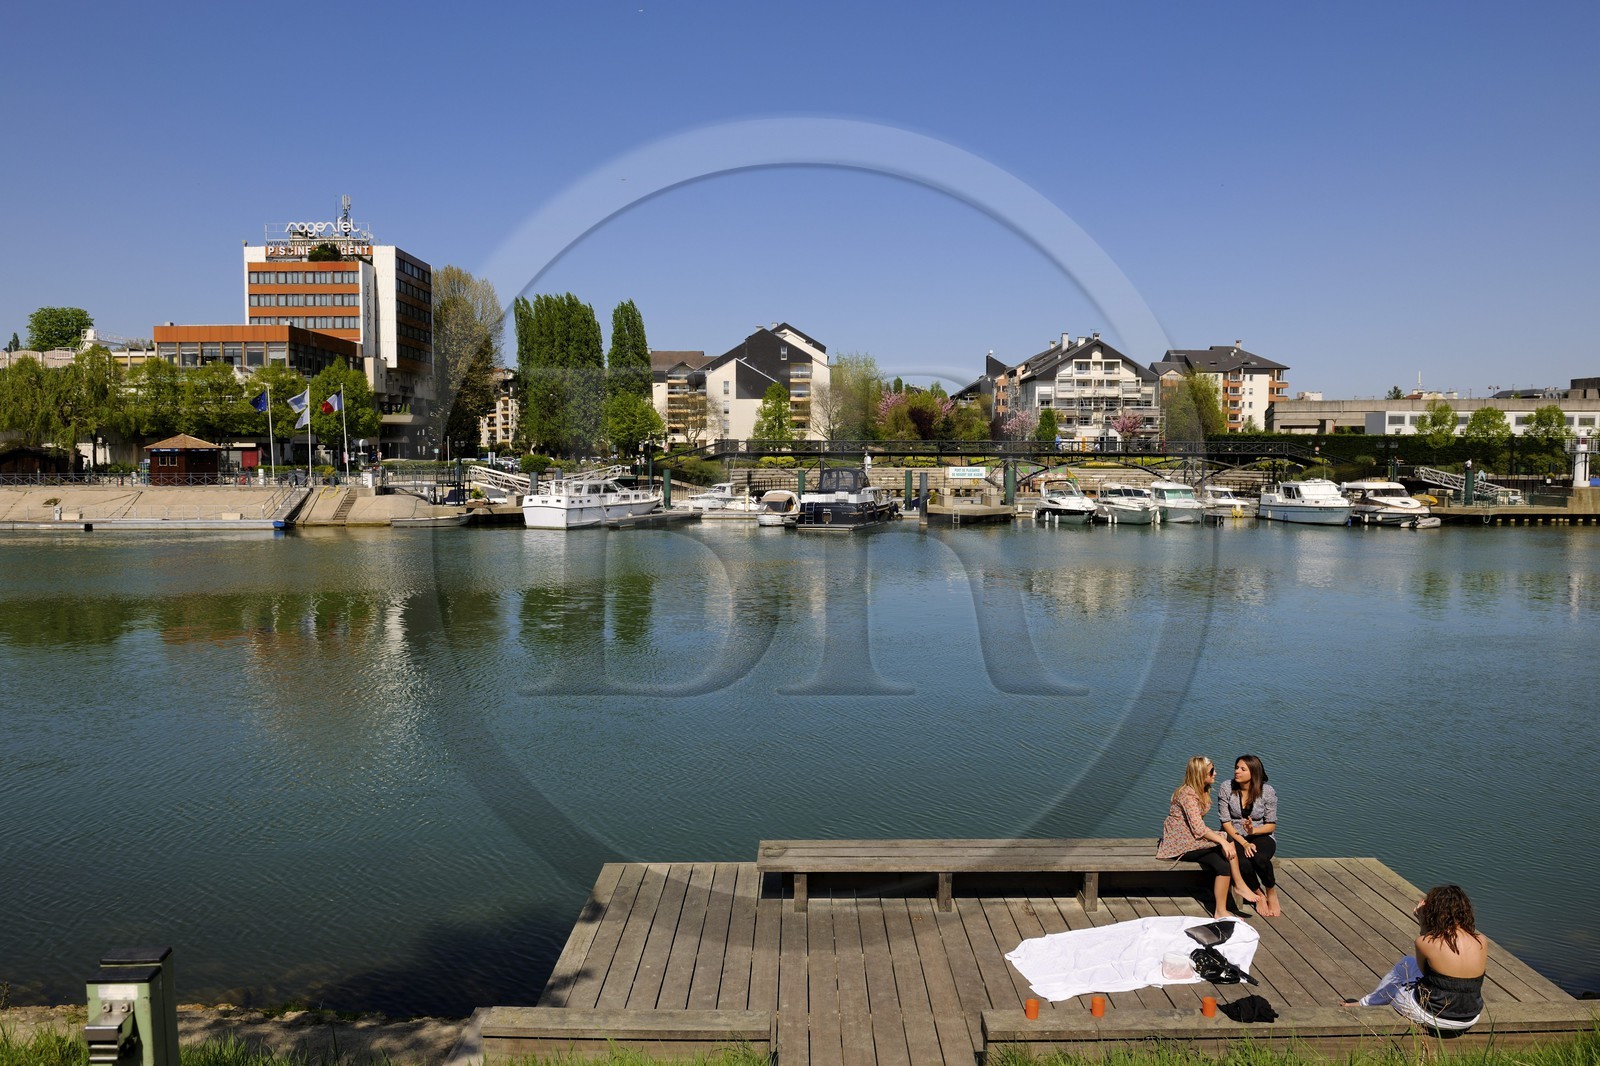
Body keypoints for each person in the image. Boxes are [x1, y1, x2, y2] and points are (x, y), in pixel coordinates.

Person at [1342, 885, 1486, 1031]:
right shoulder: (1481, 940)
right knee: (1408, 962)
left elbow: (1424, 973)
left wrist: (1422, 921)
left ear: (1434, 912)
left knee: (1400, 982)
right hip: (1469, 1017)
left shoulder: (1425, 942)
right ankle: (1366, 1003)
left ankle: (1367, 1004)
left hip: (1432, 1015)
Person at [1156, 756, 1262, 919]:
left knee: (1223, 865)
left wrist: (1221, 841)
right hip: (1180, 843)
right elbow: (1199, 828)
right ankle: (1239, 885)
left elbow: (1197, 828)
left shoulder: (1202, 790)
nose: (1215, 773)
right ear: (1200, 774)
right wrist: (1221, 841)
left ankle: (1221, 910)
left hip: (1192, 838)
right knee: (1226, 839)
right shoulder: (1188, 795)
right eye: (1211, 771)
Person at [1222, 755, 1280, 917]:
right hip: (1234, 836)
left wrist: (1252, 830)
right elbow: (1225, 822)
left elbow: (1271, 825)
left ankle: (1271, 891)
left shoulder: (1267, 791)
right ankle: (1258, 894)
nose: (1237, 771)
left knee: (1259, 857)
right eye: (1236, 768)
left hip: (1261, 834)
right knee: (1242, 862)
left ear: (1254, 772)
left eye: (1242, 769)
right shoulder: (1227, 787)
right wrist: (1245, 843)